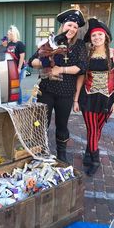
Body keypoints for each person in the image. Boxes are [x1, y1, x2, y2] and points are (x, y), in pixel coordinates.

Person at [73, 18, 114, 176]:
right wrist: (76, 99)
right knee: (92, 129)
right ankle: (95, 159)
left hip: (108, 99)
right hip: (88, 98)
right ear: (90, 39)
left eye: (100, 34)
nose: (97, 37)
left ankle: (87, 152)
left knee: (97, 130)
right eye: (93, 35)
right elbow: (81, 78)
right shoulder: (87, 55)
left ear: (105, 36)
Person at [29, 9, 87, 163]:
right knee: (41, 123)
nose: (72, 29)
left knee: (62, 124)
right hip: (46, 90)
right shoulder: (50, 41)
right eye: (70, 25)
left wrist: (61, 69)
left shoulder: (79, 45)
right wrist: (45, 63)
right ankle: (40, 152)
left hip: (66, 92)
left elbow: (81, 67)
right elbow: (31, 61)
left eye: (75, 27)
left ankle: (61, 154)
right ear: (63, 25)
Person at [6, 25, 26, 104]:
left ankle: (19, 103)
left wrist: (19, 68)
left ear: (12, 34)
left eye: (8, 34)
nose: (7, 36)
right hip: (11, 69)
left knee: (17, 86)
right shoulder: (9, 44)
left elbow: (22, 57)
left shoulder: (19, 44)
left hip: (18, 68)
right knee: (13, 86)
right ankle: (14, 101)